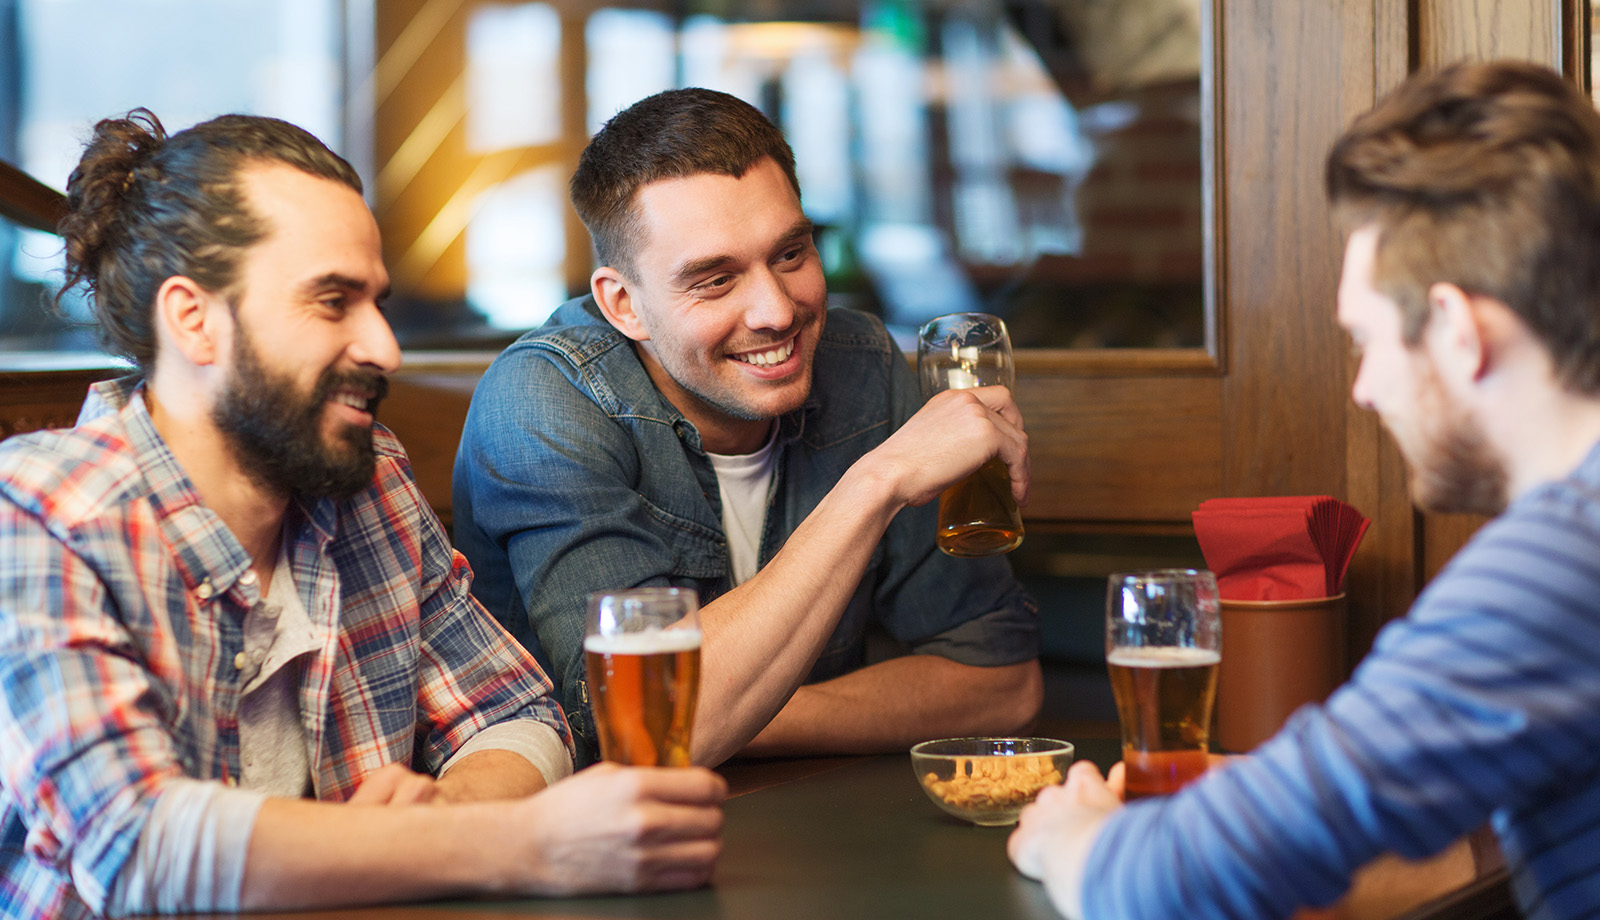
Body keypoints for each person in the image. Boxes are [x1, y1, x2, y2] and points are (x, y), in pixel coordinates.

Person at [0, 110, 725, 919]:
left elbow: (515, 711)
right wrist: (524, 844)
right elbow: (134, 847)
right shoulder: (41, 511)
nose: (384, 345)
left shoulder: (367, 477)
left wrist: (451, 815)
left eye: (375, 302)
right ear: (193, 320)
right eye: (333, 301)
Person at [1007, 60, 1600, 919]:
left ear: (1460, 331)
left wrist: (1074, 835)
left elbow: (1167, 886)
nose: (1364, 389)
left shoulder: (1556, 568)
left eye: (1368, 342)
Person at [453, 88, 1042, 768]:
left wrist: (734, 708)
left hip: (802, 831)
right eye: (715, 279)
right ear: (624, 305)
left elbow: (1002, 682)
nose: (776, 311)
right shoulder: (543, 402)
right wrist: (877, 482)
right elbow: (639, 728)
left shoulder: (859, 367)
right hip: (600, 848)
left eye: (790, 255)